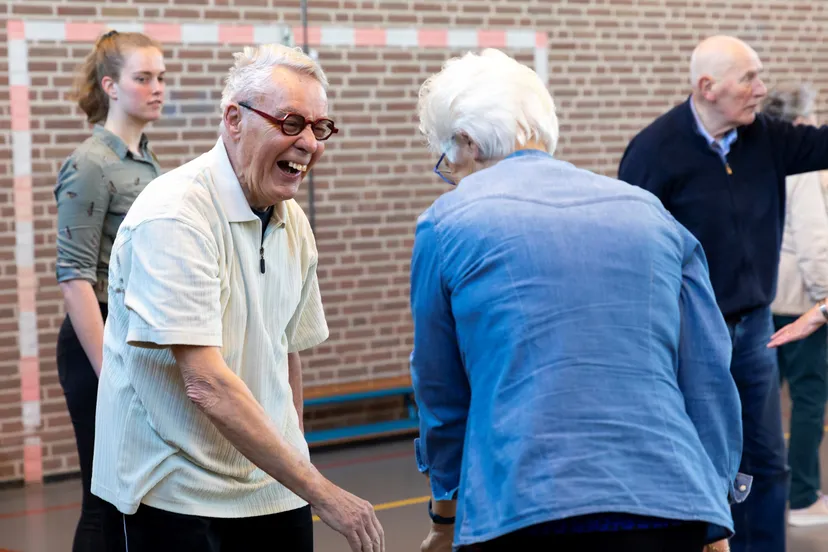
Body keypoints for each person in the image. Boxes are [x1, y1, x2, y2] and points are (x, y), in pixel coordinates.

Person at [409, 48, 748, 552]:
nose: (451, 177)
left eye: (447, 163)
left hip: (524, 506)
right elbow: (706, 374)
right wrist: (713, 504)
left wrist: (446, 514)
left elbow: (441, 392)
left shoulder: (446, 223)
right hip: (669, 503)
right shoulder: (649, 212)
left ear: (467, 142)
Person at [90, 44, 384, 552]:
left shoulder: (293, 222)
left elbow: (285, 355)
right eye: (291, 123)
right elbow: (205, 382)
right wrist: (323, 492)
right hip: (177, 490)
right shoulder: (175, 215)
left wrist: (296, 464)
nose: (308, 142)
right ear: (234, 119)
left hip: (272, 486)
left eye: (319, 127)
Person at [619, 35, 828, 552]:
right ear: (707, 87)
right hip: (690, 332)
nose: (762, 89)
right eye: (749, 78)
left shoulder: (766, 138)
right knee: (705, 462)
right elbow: (633, 250)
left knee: (765, 462)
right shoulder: (654, 151)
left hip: (755, 330)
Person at [54, 30, 165, 552]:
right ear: (111, 87)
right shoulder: (91, 163)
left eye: (161, 77)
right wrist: (112, 371)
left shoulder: (146, 160)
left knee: (136, 501)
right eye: (143, 78)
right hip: (96, 340)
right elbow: (75, 277)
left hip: (133, 334)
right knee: (103, 501)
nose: (157, 87)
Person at [761, 82, 828, 527]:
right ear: (801, 121)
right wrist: (824, 300)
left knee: (766, 399)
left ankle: (762, 491)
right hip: (800, 300)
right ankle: (802, 497)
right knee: (809, 397)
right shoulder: (802, 166)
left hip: (768, 294)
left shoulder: (763, 156)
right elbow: (813, 240)